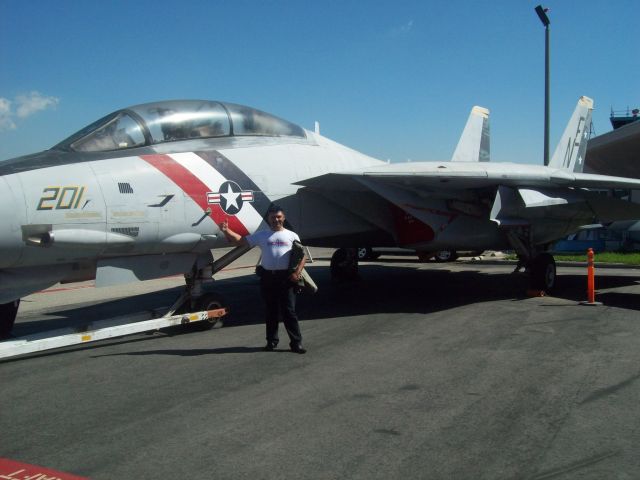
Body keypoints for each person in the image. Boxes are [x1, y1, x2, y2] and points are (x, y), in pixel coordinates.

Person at [219, 205, 307, 354]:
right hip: (268, 278)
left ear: (283, 218)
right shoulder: (262, 235)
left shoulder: (292, 235)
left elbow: (302, 256)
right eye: (273, 217)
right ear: (268, 219)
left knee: (289, 312)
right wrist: (226, 230)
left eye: (279, 217)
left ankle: (296, 343)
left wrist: (297, 272)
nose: (276, 220)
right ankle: (271, 342)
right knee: (271, 311)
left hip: (286, 278)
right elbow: (241, 241)